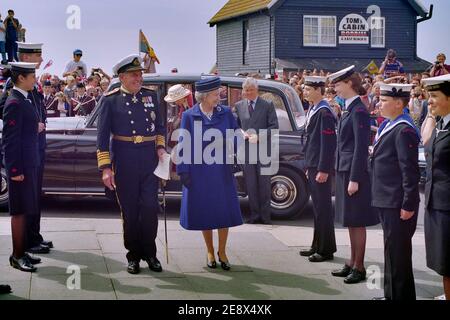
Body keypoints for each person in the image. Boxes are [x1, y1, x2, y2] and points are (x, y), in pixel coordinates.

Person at [96, 54, 167, 274]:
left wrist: (160, 148)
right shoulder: (110, 100)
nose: (139, 78)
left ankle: (150, 253)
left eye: (140, 74)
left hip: (148, 160)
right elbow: (102, 136)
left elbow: (160, 127)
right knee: (129, 210)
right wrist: (106, 168)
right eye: (134, 75)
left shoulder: (151, 96)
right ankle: (133, 255)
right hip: (124, 160)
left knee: (149, 208)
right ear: (122, 77)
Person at [176, 76, 243, 270]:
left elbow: (237, 133)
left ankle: (222, 251)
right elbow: (184, 144)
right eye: (215, 94)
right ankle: (210, 251)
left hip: (222, 170)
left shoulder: (226, 113)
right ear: (203, 96)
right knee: (205, 212)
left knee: (223, 211)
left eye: (219, 93)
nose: (219, 97)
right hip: (199, 173)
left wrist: (236, 149)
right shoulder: (189, 116)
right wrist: (183, 171)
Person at [328, 65, 379, 284]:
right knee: (349, 220)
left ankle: (359, 267)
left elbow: (360, 147)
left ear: (349, 83)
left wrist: (355, 178)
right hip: (344, 169)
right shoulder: (349, 108)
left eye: (338, 84)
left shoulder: (359, 110)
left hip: (353, 173)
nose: (335, 89)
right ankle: (351, 262)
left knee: (357, 221)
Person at [0, 42, 52, 254]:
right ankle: (26, 242)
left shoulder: (33, 85)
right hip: (24, 150)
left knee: (33, 197)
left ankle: (33, 235)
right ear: (26, 59)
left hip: (35, 148)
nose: (40, 60)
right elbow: (6, 110)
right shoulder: (15, 89)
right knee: (23, 202)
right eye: (37, 56)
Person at [370, 83, 420, 300]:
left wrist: (408, 203)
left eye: (384, 100)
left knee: (398, 256)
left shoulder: (404, 130)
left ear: (399, 104)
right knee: (391, 252)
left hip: (396, 202)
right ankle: (391, 295)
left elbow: (409, 171)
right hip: (386, 199)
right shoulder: (391, 126)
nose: (379, 104)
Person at [2, 62, 42, 272]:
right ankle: (17, 256)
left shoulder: (24, 100)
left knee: (26, 209)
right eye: (32, 76)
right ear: (21, 79)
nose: (35, 79)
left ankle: (22, 251)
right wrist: (15, 171)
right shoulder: (14, 103)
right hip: (21, 168)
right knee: (18, 212)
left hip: (29, 164)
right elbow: (10, 141)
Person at [299, 76, 337, 262]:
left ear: (318, 90)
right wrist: (309, 165)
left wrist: (323, 169)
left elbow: (328, 144)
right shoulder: (314, 109)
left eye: (307, 89)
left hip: (320, 166)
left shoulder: (324, 112)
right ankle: (317, 244)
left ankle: (326, 249)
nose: (304, 92)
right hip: (313, 164)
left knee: (323, 209)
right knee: (317, 208)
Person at [234, 77, 279, 224]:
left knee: (264, 185)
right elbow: (235, 126)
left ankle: (266, 217)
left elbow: (274, 127)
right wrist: (242, 133)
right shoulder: (239, 106)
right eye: (245, 90)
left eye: (250, 90)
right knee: (251, 185)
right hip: (247, 151)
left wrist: (259, 137)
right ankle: (254, 215)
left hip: (263, 150)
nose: (247, 93)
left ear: (256, 90)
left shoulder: (267, 105)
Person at [421, 74, 450, 300]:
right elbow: (426, 142)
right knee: (443, 261)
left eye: (434, 96)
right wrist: (431, 114)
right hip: (436, 202)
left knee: (449, 262)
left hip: (448, 205)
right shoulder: (441, 122)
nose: (428, 100)